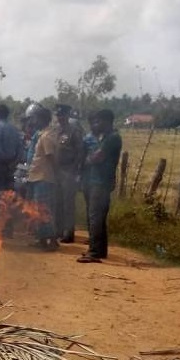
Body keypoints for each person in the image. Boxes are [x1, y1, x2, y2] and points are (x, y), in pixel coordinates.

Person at [78, 109, 122, 264]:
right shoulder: (105, 138)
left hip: (100, 182)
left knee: (95, 217)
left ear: (107, 121)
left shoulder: (112, 138)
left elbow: (97, 157)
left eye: (99, 121)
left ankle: (94, 252)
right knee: (97, 218)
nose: (96, 124)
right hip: (93, 181)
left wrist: (87, 160)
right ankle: (100, 250)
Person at [27, 107, 60, 251]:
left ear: (41, 119)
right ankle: (42, 239)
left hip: (43, 178)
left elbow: (50, 157)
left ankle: (51, 241)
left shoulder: (46, 136)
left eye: (35, 118)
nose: (33, 121)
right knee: (40, 210)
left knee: (43, 210)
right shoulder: (44, 134)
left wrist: (56, 175)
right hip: (39, 177)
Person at [0, 104, 23, 236]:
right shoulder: (14, 130)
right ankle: (8, 228)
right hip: (11, 167)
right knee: (8, 198)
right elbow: (20, 151)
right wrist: (13, 164)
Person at [53, 104, 85, 243]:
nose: (60, 118)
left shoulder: (74, 131)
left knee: (68, 203)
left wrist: (75, 168)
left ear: (67, 116)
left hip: (69, 171)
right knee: (57, 202)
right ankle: (58, 230)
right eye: (58, 115)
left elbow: (80, 152)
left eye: (62, 115)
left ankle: (69, 233)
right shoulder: (56, 130)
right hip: (56, 170)